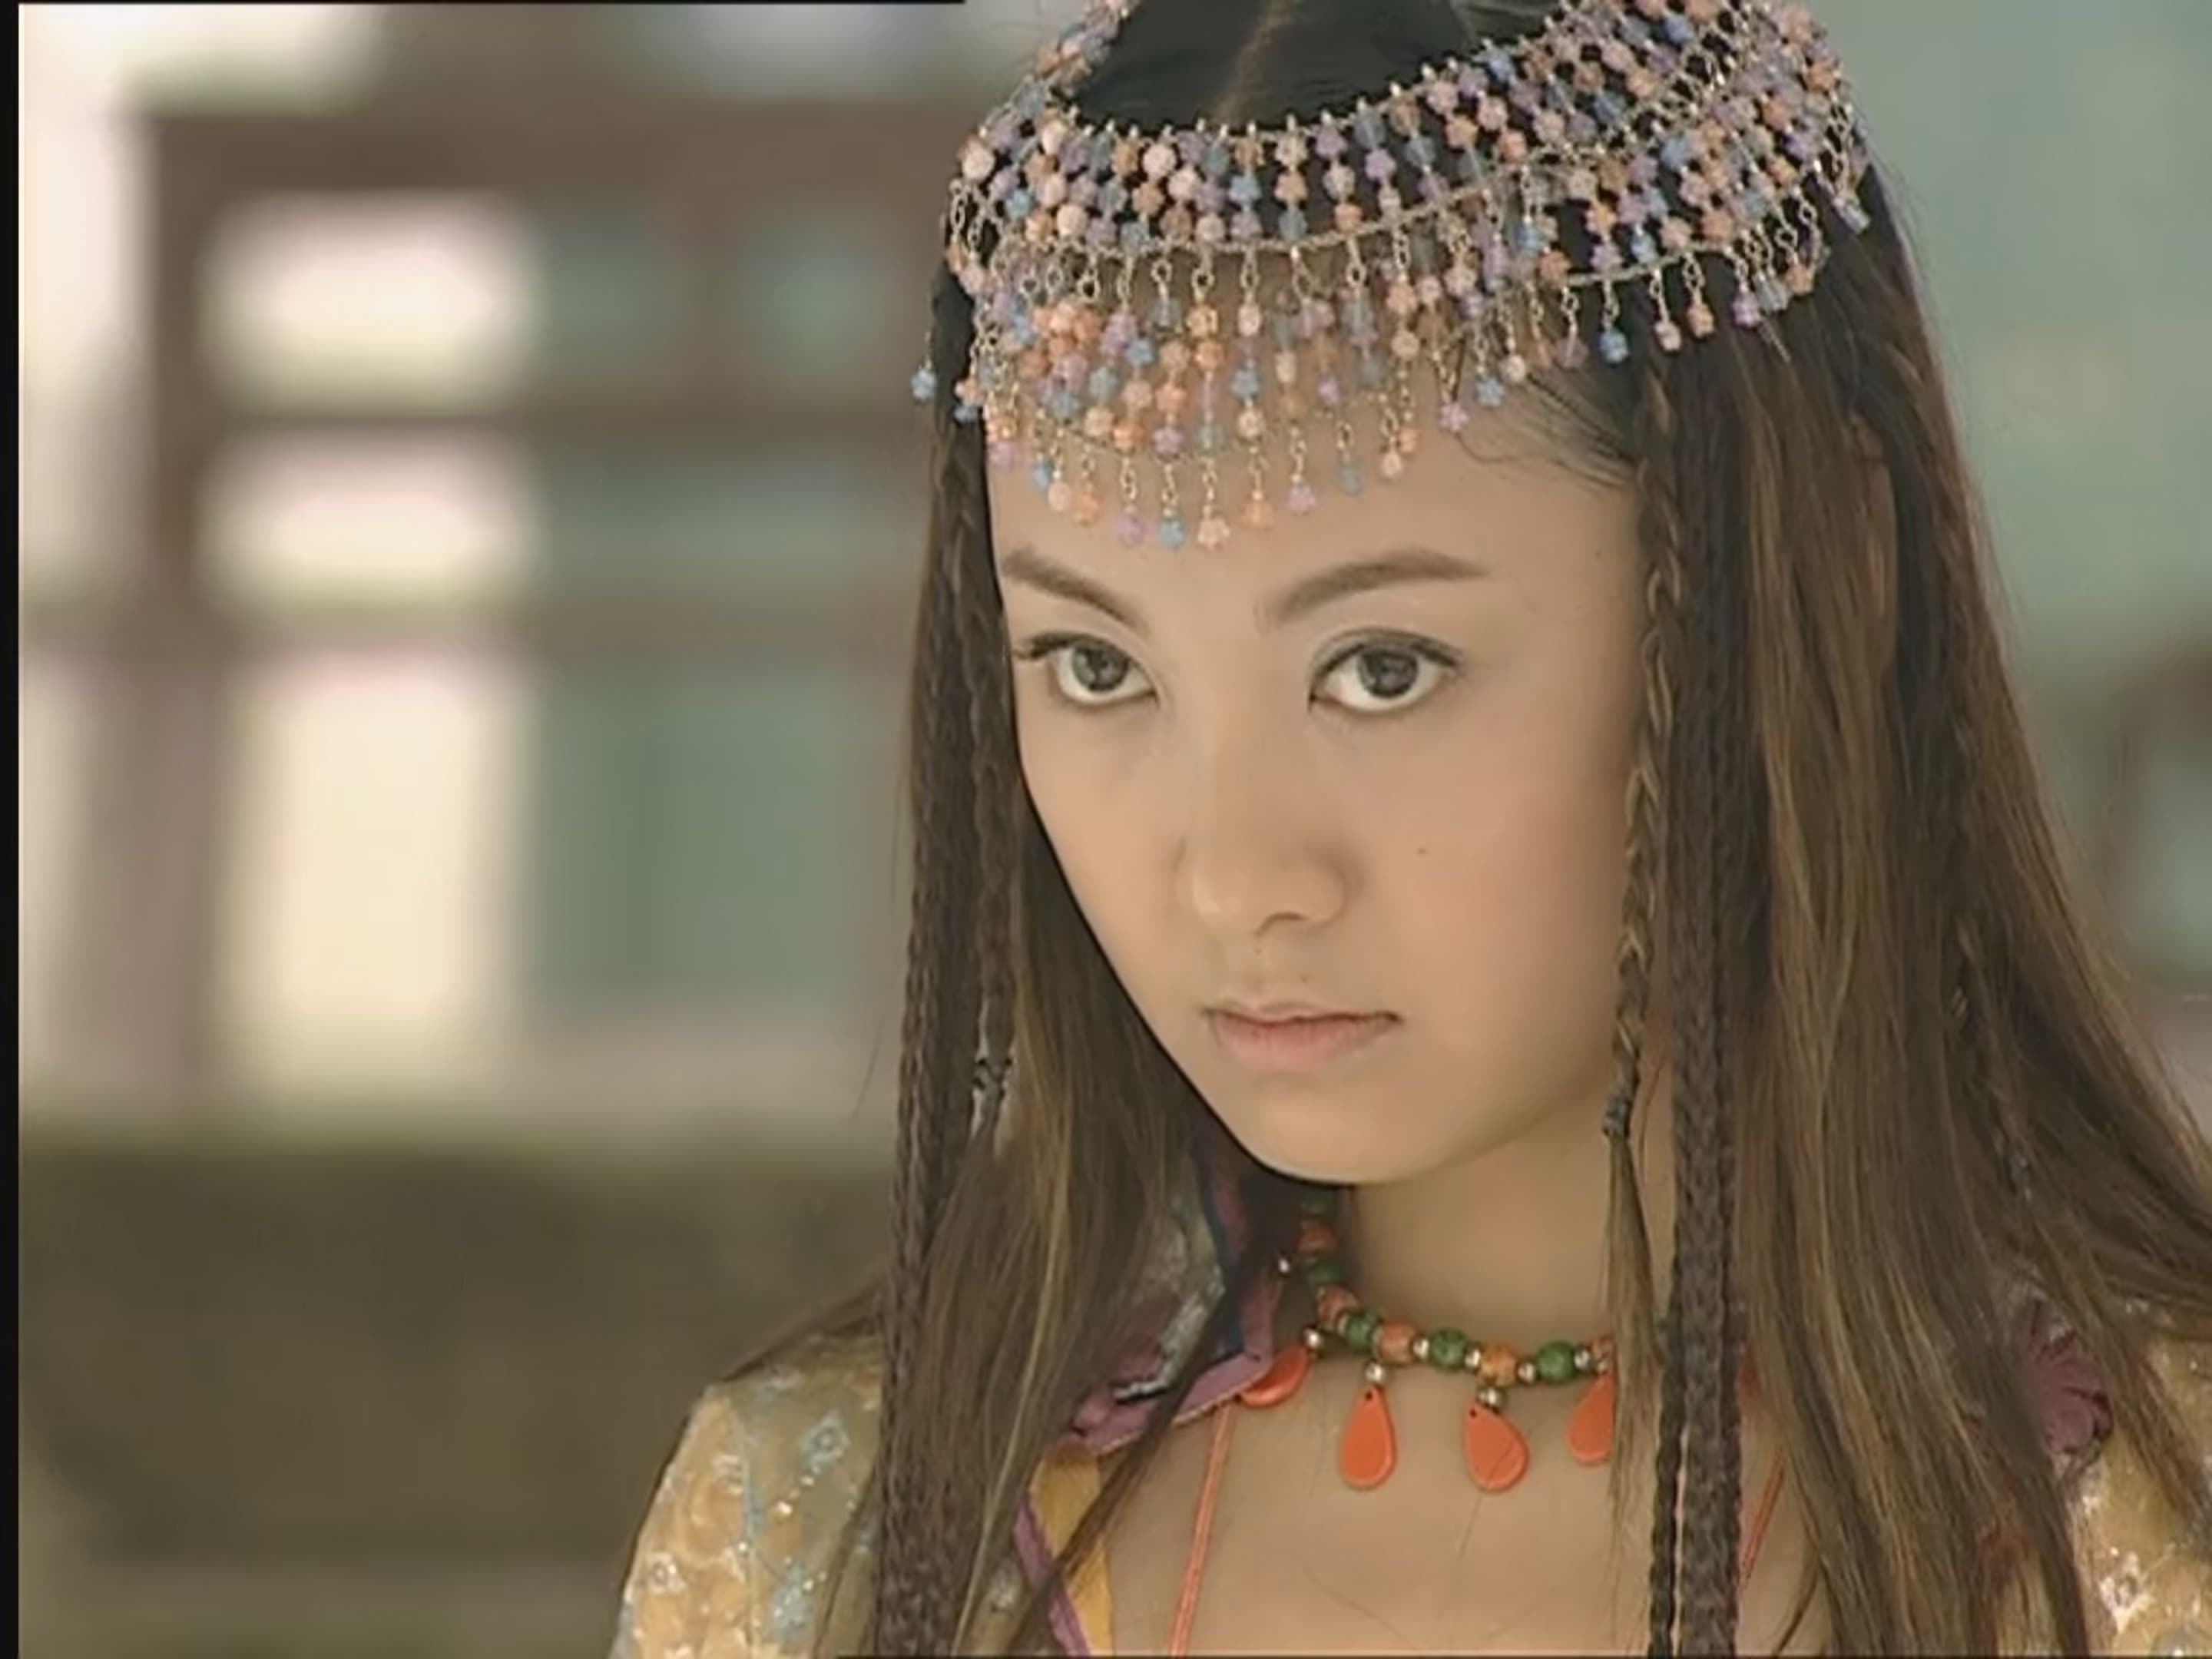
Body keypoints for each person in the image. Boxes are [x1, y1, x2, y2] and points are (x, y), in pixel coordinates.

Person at [610, 0, 2212, 1652]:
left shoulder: (2157, 1535)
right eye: (1096, 665)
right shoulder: (826, 1532)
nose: (1234, 876)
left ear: (1821, 577)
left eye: (1381, 669)